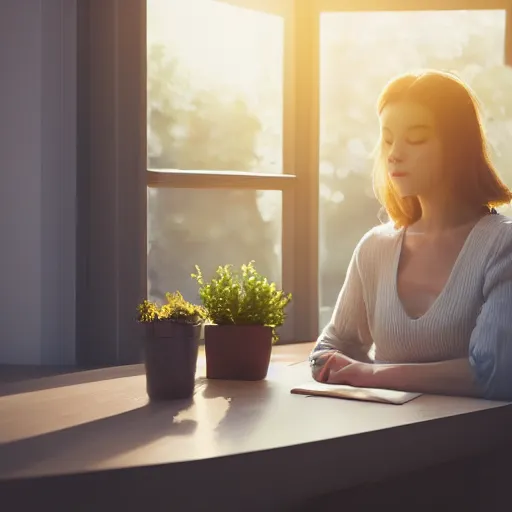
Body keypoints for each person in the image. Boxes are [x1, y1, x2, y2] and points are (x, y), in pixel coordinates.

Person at [309, 69, 512, 401]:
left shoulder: (503, 245)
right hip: (382, 443)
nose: (394, 154)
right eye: (387, 139)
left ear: (458, 146)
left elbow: (494, 372)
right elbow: (328, 349)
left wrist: (370, 373)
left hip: (480, 448)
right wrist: (333, 366)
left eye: (415, 138)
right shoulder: (374, 248)